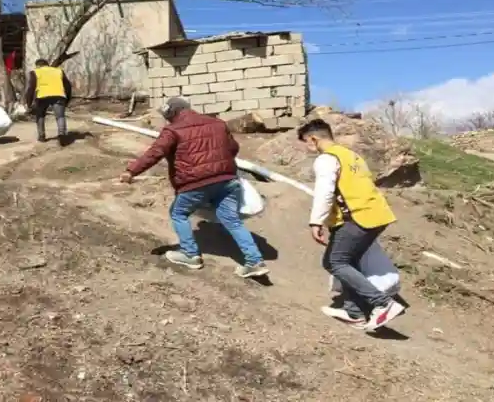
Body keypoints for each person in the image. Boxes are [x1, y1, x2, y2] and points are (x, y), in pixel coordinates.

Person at [119, 97, 269, 278]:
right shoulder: (217, 123)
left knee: (179, 213)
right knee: (231, 219)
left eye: (167, 116)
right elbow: (233, 149)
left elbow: (154, 153)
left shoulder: (172, 130)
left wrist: (131, 171)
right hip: (228, 180)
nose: (167, 120)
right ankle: (254, 261)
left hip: (196, 183)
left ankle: (190, 254)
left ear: (172, 113)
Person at [298, 118, 406, 332]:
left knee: (334, 262)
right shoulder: (351, 156)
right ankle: (353, 311)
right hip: (376, 214)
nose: (305, 147)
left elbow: (325, 192)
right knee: (349, 260)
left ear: (313, 139)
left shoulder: (326, 159)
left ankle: (383, 304)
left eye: (305, 142)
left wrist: (315, 221)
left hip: (356, 217)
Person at [22, 58, 72, 144]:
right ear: (47, 64)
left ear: (38, 65)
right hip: (59, 95)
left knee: (40, 115)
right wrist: (67, 99)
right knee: (60, 116)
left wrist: (29, 103)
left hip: (42, 96)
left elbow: (31, 88)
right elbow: (68, 86)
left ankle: (42, 136)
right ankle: (62, 134)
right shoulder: (59, 71)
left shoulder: (35, 72)